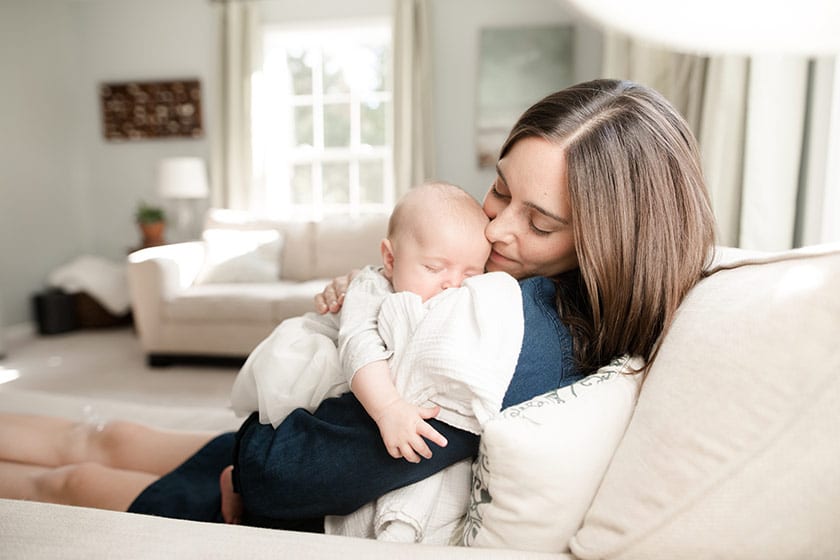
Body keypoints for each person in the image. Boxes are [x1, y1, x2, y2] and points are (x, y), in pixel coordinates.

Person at [0, 79, 716, 534]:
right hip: (299, 430)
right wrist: (373, 295)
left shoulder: (519, 337)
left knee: (73, 476)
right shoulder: (515, 287)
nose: (496, 228)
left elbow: (285, 475)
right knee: (106, 435)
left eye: (541, 222)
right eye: (500, 189)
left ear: (617, 242)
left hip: (285, 489)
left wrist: (251, 469)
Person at [222, 181, 524, 538]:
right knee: (292, 419)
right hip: (327, 366)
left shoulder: (460, 294)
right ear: (390, 259)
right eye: (434, 267)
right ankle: (234, 476)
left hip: (371, 375)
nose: (453, 284)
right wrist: (389, 408)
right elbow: (358, 346)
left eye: (471, 273)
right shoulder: (369, 288)